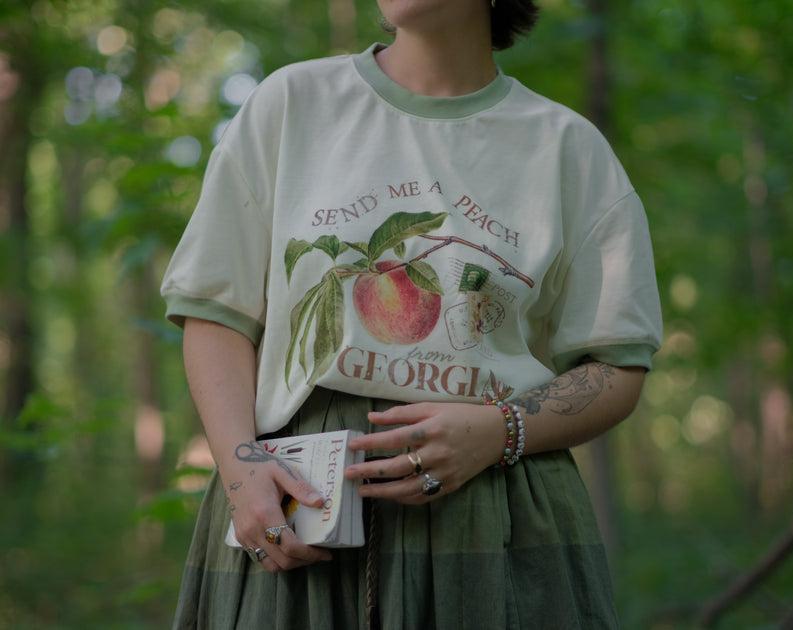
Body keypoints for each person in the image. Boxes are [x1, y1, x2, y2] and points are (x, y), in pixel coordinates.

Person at [160, 0, 662, 627]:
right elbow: (216, 313)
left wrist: (499, 430)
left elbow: (616, 365)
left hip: (496, 514)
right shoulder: (293, 104)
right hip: (295, 501)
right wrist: (241, 473)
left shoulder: (567, 147)